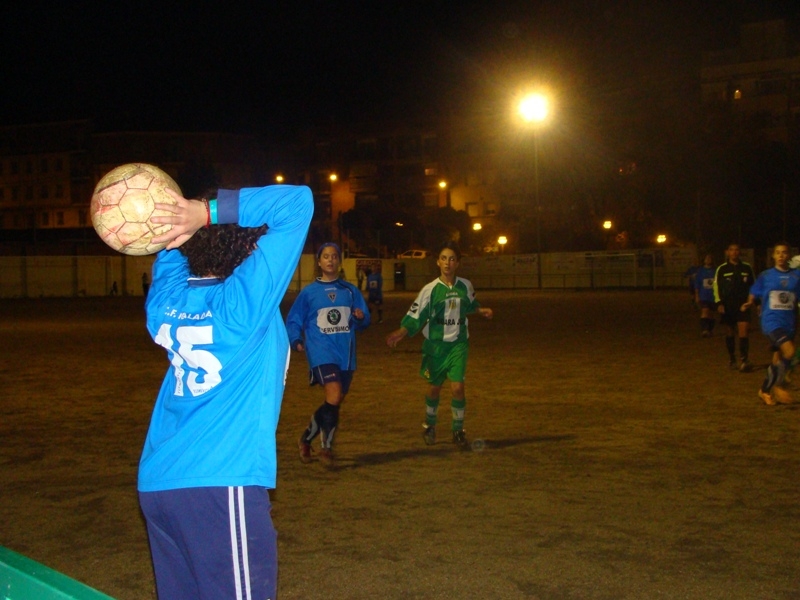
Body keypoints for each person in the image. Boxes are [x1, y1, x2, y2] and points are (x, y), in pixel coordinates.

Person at [137, 184, 313, 600]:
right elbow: (297, 202)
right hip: (220, 483)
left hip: (159, 485)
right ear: (250, 246)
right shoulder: (246, 302)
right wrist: (204, 211)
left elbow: (170, 251)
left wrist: (176, 228)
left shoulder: (164, 302)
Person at [386, 241, 493, 447]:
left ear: (457, 263)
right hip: (435, 347)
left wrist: (481, 310)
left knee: (457, 388)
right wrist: (402, 331)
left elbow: (470, 305)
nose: (447, 263)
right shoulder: (430, 290)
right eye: (443, 258)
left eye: (452, 259)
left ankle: (458, 430)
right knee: (434, 389)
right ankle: (429, 425)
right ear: (438, 262)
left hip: (458, 345)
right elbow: (417, 315)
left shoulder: (465, 285)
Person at [287, 242, 370, 465]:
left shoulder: (350, 291)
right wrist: (295, 339)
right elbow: (294, 319)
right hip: (321, 351)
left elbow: (364, 321)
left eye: (334, 256)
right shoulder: (309, 293)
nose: (330, 260)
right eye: (326, 256)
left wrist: (361, 317)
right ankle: (326, 448)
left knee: (333, 401)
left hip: (346, 353)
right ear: (319, 262)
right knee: (333, 394)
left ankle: (305, 438)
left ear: (339, 261)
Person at [741, 243, 800, 405]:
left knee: (782, 357)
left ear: (788, 256)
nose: (781, 256)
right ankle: (777, 385)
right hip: (771, 321)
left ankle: (766, 389)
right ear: (773, 256)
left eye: (784, 253)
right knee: (789, 352)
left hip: (789, 323)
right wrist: (749, 302)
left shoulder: (796, 276)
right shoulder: (766, 275)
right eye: (778, 253)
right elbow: (754, 291)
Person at [713, 243, 755, 371]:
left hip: (743, 306)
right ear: (727, 252)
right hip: (727, 305)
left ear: (740, 252)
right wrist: (719, 303)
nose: (734, 252)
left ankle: (744, 359)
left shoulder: (747, 268)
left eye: (737, 250)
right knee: (730, 333)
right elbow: (716, 287)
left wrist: (755, 302)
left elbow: (754, 287)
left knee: (744, 332)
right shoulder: (722, 269)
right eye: (732, 250)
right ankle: (732, 358)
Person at [694, 253, 717, 337]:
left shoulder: (715, 271)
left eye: (709, 258)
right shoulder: (700, 271)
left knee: (711, 314)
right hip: (704, 295)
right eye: (706, 258)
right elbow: (697, 284)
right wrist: (697, 295)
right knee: (705, 311)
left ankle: (710, 329)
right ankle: (704, 330)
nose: (708, 260)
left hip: (713, 296)